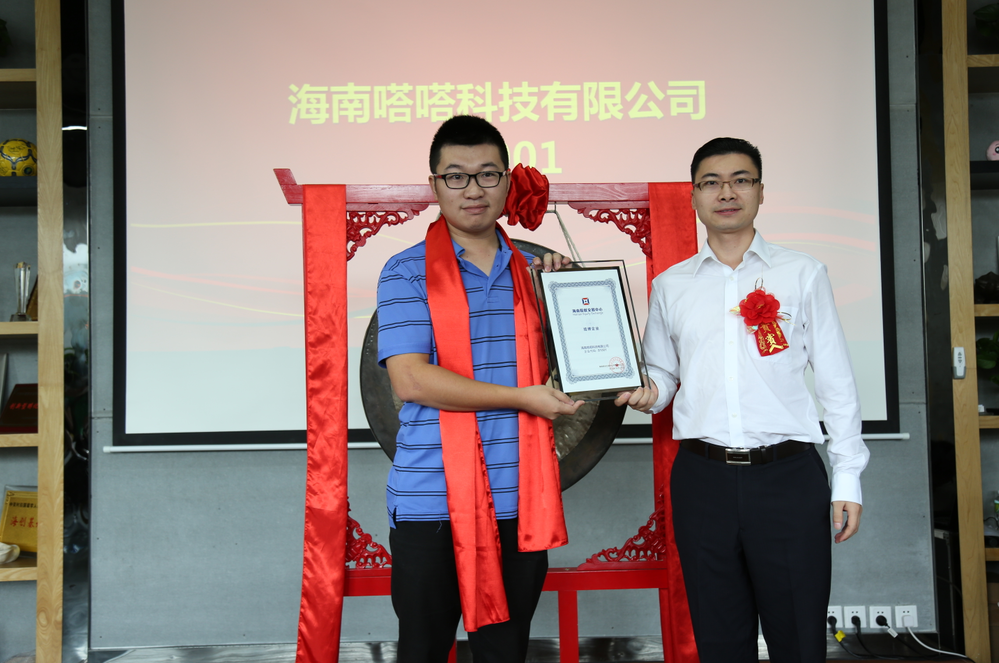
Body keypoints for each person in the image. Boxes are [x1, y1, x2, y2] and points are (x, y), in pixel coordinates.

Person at [616, 137, 870, 662]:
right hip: (702, 480)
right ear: (694, 196)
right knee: (720, 640)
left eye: (740, 180)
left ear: (760, 191)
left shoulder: (802, 273)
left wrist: (847, 476)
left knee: (798, 638)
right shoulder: (671, 286)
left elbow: (837, 382)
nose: (726, 193)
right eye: (711, 182)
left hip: (787, 478)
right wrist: (648, 392)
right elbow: (663, 374)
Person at [376, 114, 582, 663]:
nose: (473, 189)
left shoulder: (535, 272)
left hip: (520, 499)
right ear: (435, 185)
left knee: (505, 653)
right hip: (430, 500)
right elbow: (411, 379)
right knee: (423, 651)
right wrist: (520, 398)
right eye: (456, 176)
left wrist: (569, 297)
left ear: (508, 182)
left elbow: (581, 368)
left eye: (488, 175)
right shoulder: (406, 272)